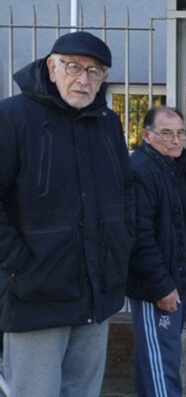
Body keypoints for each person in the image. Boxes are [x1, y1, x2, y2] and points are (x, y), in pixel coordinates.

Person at [0, 31, 135, 396]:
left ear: (104, 78)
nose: (83, 79)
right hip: (35, 295)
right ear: (51, 67)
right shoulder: (12, 117)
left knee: (83, 391)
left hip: (96, 291)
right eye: (74, 67)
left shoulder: (107, 122)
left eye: (94, 71)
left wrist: (121, 246)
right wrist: (19, 265)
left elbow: (125, 191)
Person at [127, 106, 186, 397]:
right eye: (167, 133)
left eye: (181, 133)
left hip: (175, 273)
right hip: (158, 284)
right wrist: (161, 287)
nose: (176, 140)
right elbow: (139, 237)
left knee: (158, 356)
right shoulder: (142, 171)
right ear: (147, 135)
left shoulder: (171, 167)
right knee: (162, 359)